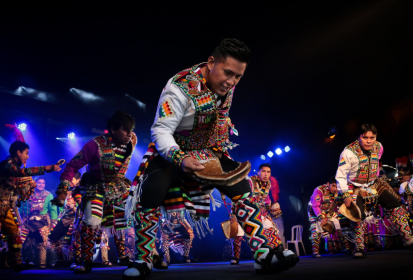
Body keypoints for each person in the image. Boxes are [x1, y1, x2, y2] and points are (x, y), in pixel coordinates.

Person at [123, 39, 298, 279]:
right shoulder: (178, 88)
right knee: (151, 192)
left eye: (238, 77)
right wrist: (181, 158)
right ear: (211, 62)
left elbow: (221, 115)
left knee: (242, 188)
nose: (231, 82)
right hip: (171, 152)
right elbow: (161, 131)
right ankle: (143, 259)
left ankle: (263, 254)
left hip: (207, 150)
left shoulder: (228, 85)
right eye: (228, 73)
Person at [53, 111, 138, 273]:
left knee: (120, 222)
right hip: (95, 186)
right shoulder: (94, 145)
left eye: (130, 129)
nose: (129, 134)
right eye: (124, 130)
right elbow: (71, 166)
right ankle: (85, 261)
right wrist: (62, 191)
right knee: (91, 221)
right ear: (113, 129)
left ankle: (124, 257)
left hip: (117, 187)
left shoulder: (132, 139)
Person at [336, 124, 413, 259]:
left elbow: (377, 161)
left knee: (396, 206)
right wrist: (346, 195)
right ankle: (359, 248)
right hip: (355, 186)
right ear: (359, 137)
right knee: (358, 216)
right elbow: (341, 175)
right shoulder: (348, 152)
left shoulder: (379, 146)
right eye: (365, 137)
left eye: (372, 137)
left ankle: (409, 240)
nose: (369, 141)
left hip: (374, 182)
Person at [0, 137, 60, 272]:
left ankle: (16, 263)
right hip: (2, 206)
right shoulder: (7, 165)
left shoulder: (13, 168)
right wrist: (46, 168)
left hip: (5, 208)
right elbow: (19, 173)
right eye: (26, 153)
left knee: (15, 233)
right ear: (18, 152)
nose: (28, 156)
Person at [308, 176, 350, 257]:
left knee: (340, 225)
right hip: (313, 210)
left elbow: (335, 205)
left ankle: (345, 248)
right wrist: (321, 218)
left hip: (327, 211)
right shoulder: (319, 190)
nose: (335, 188)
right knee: (316, 230)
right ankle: (315, 252)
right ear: (328, 184)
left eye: (336, 186)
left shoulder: (338, 192)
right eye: (333, 186)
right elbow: (315, 206)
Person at [20, 178, 58, 268]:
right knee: (25, 240)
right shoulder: (27, 194)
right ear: (34, 183)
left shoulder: (48, 195)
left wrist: (54, 221)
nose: (41, 185)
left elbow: (53, 209)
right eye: (39, 182)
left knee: (43, 241)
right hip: (28, 220)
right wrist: (20, 220)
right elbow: (22, 207)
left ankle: (42, 262)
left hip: (42, 220)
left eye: (43, 183)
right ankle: (28, 261)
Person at [48, 172, 81, 267]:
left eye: (71, 180)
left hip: (77, 219)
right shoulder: (67, 188)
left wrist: (75, 207)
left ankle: (77, 260)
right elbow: (57, 203)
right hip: (65, 219)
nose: (69, 182)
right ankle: (60, 259)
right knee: (53, 236)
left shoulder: (82, 188)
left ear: (77, 179)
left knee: (75, 239)